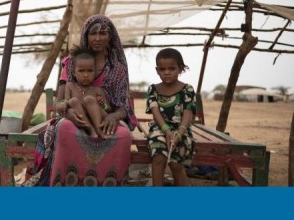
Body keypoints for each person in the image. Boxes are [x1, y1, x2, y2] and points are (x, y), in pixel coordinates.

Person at [23, 14, 138, 186]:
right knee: (65, 128)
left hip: (105, 118)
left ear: (111, 36)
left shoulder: (117, 69)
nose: (98, 38)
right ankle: (63, 183)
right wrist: (68, 111)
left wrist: (113, 117)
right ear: (86, 35)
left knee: (123, 135)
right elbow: (60, 101)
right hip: (75, 116)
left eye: (103, 33)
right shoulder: (71, 63)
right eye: (93, 33)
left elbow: (122, 107)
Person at [146, 48, 196, 186]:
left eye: (172, 68)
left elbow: (187, 113)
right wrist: (166, 130)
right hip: (159, 128)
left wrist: (179, 134)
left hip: (182, 129)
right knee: (158, 158)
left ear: (180, 69)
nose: (166, 72)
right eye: (162, 69)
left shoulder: (187, 89)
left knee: (175, 163)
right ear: (157, 70)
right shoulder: (153, 89)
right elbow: (155, 112)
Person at [59, 47, 111, 138]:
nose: (86, 75)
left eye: (90, 71)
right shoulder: (70, 86)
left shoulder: (97, 90)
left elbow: (108, 110)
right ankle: (91, 130)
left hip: (97, 120)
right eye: (81, 71)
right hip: (80, 119)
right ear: (74, 73)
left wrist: (103, 104)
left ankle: (98, 130)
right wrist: (64, 104)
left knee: (89, 99)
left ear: (94, 72)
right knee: (73, 101)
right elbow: (66, 102)